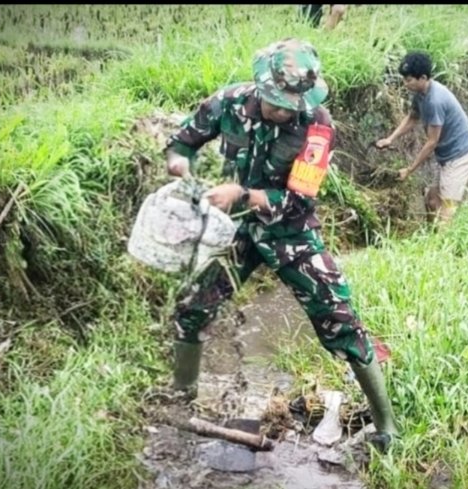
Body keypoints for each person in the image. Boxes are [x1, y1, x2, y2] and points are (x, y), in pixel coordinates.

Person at [162, 38, 399, 450]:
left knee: (340, 318)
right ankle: (181, 401)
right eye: (276, 103)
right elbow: (181, 143)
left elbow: (299, 199)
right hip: (235, 230)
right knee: (192, 308)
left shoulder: (318, 124)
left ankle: (387, 427)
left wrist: (243, 194)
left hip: (291, 232)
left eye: (292, 104)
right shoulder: (229, 102)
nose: (284, 111)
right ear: (260, 87)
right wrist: (183, 169)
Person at [376, 51, 468, 223]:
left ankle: (444, 245)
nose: (405, 84)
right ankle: (431, 237)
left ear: (423, 77)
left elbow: (431, 143)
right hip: (446, 156)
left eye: (408, 80)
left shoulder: (435, 101)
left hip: (460, 155)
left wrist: (409, 170)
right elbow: (413, 117)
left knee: (448, 207)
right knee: (431, 200)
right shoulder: (420, 93)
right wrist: (390, 138)